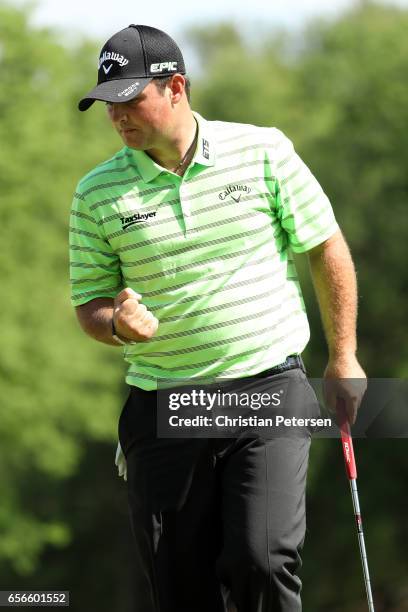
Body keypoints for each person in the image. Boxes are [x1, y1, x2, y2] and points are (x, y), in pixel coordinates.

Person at [70, 24, 366, 612]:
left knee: (263, 557)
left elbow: (325, 246)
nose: (118, 117)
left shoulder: (262, 151)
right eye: (109, 104)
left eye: (131, 99)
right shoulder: (96, 193)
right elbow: (90, 304)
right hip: (165, 402)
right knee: (180, 584)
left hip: (267, 386)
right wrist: (116, 323)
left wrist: (344, 353)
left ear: (176, 86)